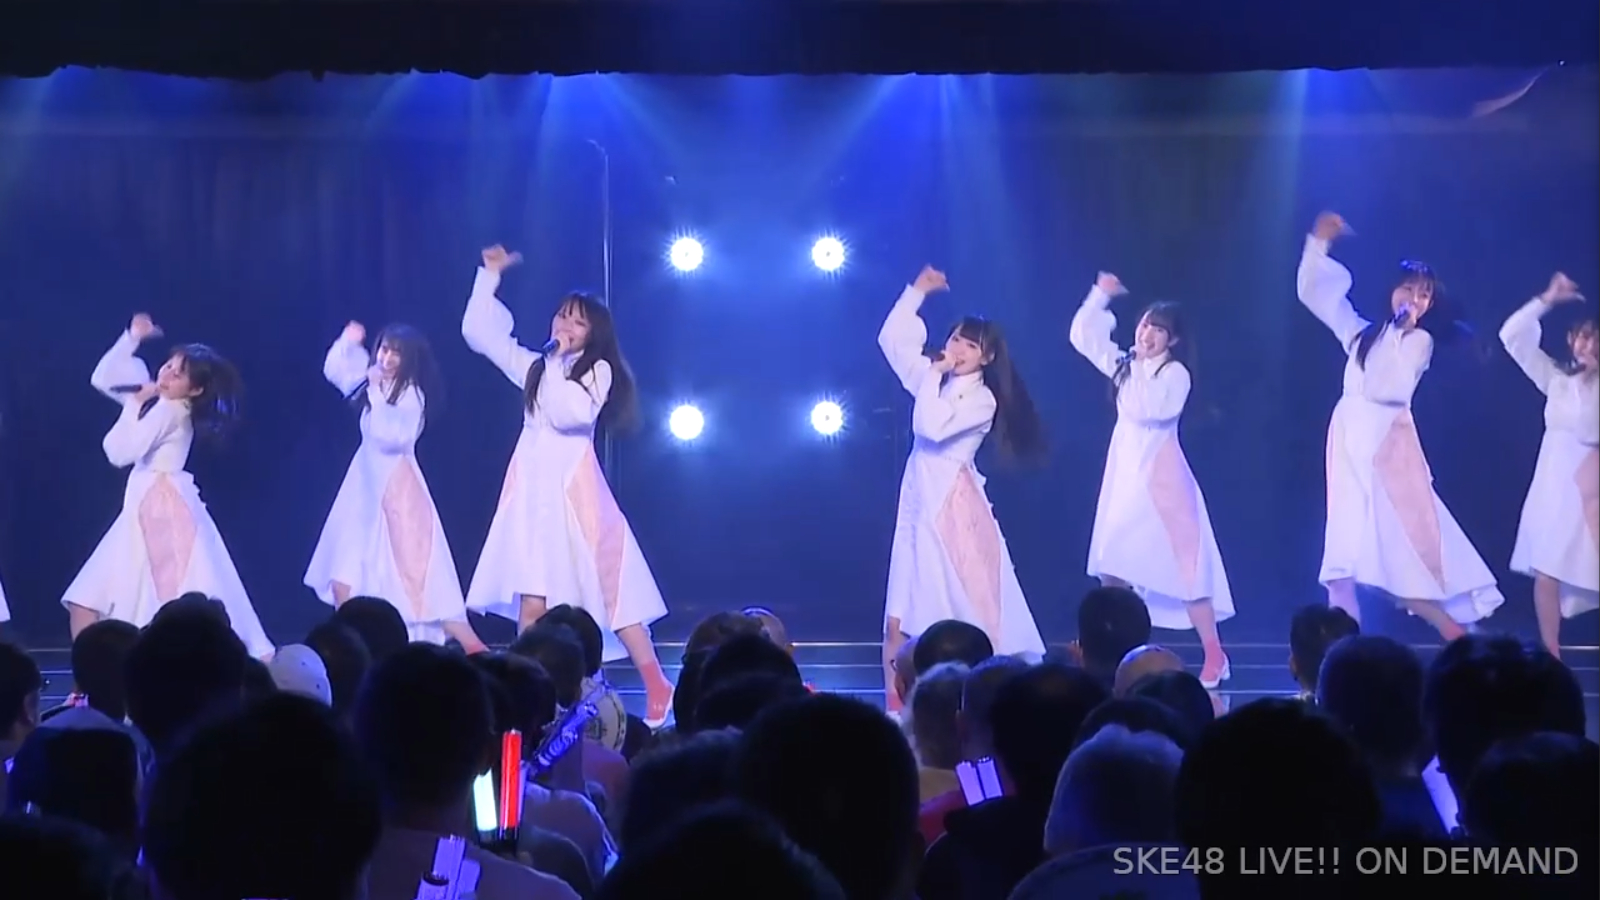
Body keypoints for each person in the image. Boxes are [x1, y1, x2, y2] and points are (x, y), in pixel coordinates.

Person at [461, 246, 673, 725]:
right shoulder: (538, 367)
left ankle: (656, 680)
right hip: (530, 495)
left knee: (611, 587)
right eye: (562, 317)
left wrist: (553, 362)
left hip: (575, 494)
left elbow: (570, 415)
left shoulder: (597, 371)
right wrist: (489, 276)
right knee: (531, 598)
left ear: (594, 334)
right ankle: (525, 689)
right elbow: (479, 334)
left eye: (577, 322)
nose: (565, 326)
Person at [1295, 212, 1502, 639]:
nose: (1415, 299)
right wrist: (1318, 243)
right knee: (1341, 567)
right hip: (1348, 447)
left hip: (1387, 451)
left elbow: (1385, 385)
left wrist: (1399, 328)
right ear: (1392, 290)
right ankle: (1342, 654)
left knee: (1398, 562)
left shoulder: (1418, 341)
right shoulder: (1362, 334)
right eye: (1408, 288)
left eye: (1424, 295)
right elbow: (1316, 294)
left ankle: (1457, 633)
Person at [877, 264, 1048, 706]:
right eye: (955, 339)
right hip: (918, 501)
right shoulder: (934, 379)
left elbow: (931, 429)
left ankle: (986, 697)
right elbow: (892, 341)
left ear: (986, 357)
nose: (958, 349)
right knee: (898, 611)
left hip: (952, 508)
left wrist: (933, 376)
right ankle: (895, 707)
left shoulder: (981, 399)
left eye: (971, 345)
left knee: (967, 604)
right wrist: (917, 291)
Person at [62, 314, 271, 657]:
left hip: (159, 513)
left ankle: (104, 676)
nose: (167, 373)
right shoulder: (159, 401)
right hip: (147, 508)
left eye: (179, 373)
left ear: (195, 389)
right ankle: (98, 676)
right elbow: (103, 379)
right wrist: (132, 339)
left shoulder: (170, 410)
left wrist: (133, 405)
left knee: (110, 601)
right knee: (91, 600)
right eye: (169, 365)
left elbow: (119, 452)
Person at [1069, 273, 1233, 685]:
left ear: (1172, 340)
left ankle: (1215, 654)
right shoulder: (1127, 367)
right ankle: (1110, 652)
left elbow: (1151, 411)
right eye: (1145, 325)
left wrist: (1135, 366)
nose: (1147, 334)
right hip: (1125, 479)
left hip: (1163, 482)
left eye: (1158, 330)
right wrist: (1100, 296)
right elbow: (1082, 336)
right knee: (1112, 569)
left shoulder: (1175, 374)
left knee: (1186, 569)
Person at [305, 319, 487, 652]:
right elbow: (335, 369)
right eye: (384, 349)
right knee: (344, 571)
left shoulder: (412, 394)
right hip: (362, 489)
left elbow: (391, 437)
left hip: (398, 488)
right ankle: (350, 645)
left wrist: (374, 391)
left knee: (416, 573)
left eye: (396, 353)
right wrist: (347, 341)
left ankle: (471, 648)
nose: (386, 358)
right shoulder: (371, 379)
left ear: (409, 360)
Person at [1498, 272, 1597, 658]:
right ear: (1571, 338)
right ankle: (1551, 653)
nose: (1588, 345)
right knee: (1547, 569)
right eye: (1583, 336)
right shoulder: (1557, 379)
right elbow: (1512, 336)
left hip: (1588, 489)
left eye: (1596, 339)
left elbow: (1589, 429)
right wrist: (1547, 299)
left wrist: (1586, 381)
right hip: (1552, 487)